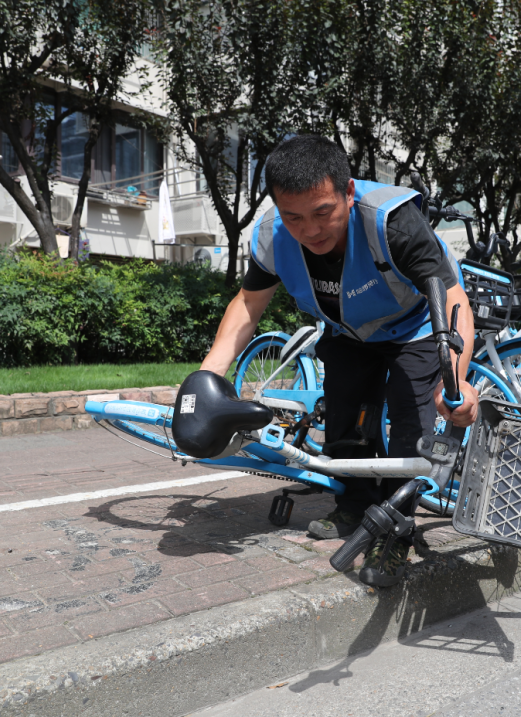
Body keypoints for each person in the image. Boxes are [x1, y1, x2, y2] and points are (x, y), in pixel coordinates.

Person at [199, 135, 477, 587]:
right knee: (345, 415)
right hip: (350, 331)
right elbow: (249, 303)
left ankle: (396, 529)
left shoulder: (391, 220)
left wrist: (455, 382)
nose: (310, 230)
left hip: (416, 327)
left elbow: (452, 298)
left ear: (348, 193)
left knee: (411, 423)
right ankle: (353, 504)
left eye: (322, 212)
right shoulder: (272, 235)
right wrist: (207, 376)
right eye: (293, 216)